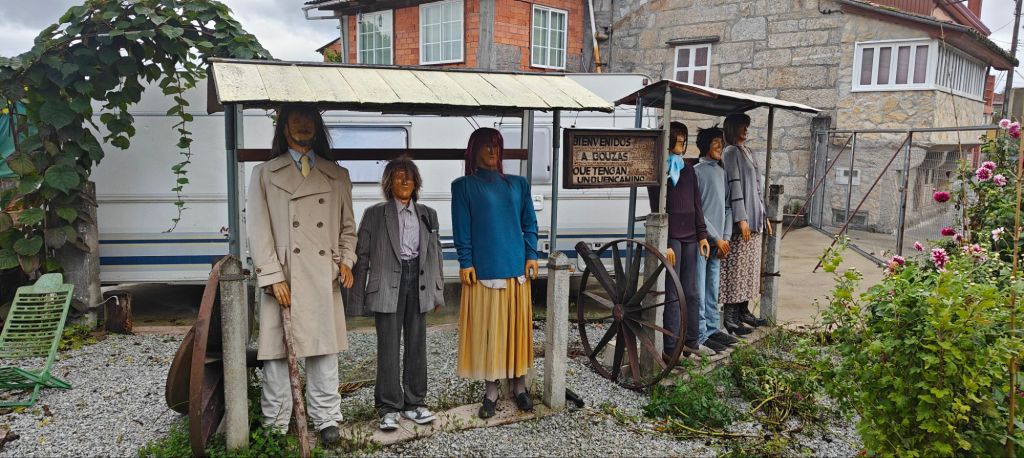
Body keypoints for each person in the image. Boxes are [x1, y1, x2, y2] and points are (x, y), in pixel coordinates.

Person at [246, 104, 356, 445]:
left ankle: (326, 418)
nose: (303, 125)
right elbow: (258, 230)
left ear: (317, 127)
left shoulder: (337, 175)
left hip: (323, 275)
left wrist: (345, 261)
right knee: (278, 353)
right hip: (285, 277)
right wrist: (271, 276)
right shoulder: (264, 174)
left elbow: (348, 228)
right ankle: (276, 423)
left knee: (324, 350)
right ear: (283, 127)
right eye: (295, 119)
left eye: (309, 119)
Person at [350, 157, 444, 432]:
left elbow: (435, 254)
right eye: (398, 175)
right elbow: (362, 256)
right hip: (387, 284)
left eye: (409, 176)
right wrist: (356, 299)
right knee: (388, 346)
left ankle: (415, 403)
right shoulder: (374, 214)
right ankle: (388, 407)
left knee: (417, 344)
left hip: (419, 282)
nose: (404, 180)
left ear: (416, 183)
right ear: (388, 183)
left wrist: (437, 292)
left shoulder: (428, 214)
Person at [451, 127, 539, 419]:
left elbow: (529, 223)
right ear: (474, 150)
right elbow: (462, 229)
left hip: (516, 270)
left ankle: (520, 387)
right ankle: (491, 390)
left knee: (517, 333)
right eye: (486, 145)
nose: (492, 151)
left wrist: (531, 255)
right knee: (491, 334)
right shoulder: (463, 186)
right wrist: (465, 262)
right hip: (486, 273)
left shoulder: (518, 184)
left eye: (496, 145)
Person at [648, 121, 713, 358]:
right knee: (673, 294)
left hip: (690, 237)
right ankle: (671, 346)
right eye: (677, 142)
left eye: (683, 142)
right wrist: (664, 242)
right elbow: (656, 208)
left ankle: (692, 342)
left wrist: (702, 235)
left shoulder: (688, 170)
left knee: (692, 292)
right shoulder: (658, 170)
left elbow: (697, 205)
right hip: (672, 237)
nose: (680, 146)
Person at [720, 113, 771, 336]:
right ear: (733, 128)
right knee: (737, 269)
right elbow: (734, 186)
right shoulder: (731, 152)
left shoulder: (747, 151)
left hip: (754, 219)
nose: (746, 130)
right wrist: (741, 219)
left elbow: (757, 187)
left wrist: (763, 215)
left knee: (750, 269)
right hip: (742, 223)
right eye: (742, 126)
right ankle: (730, 316)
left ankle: (743, 310)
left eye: (747, 126)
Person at [693, 126, 740, 352]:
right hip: (701, 241)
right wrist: (715, 237)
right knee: (700, 289)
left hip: (719, 243)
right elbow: (697, 211)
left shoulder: (722, 172)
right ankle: (700, 334)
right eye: (715, 142)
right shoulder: (696, 172)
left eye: (721, 142)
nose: (720, 146)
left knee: (712, 288)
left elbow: (728, 207)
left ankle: (713, 329)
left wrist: (726, 238)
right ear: (705, 146)